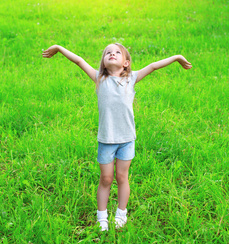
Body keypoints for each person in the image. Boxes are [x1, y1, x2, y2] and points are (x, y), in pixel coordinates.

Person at [42, 43, 192, 231]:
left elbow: (154, 65)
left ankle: (121, 213)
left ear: (126, 63)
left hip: (127, 140)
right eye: (108, 53)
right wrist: (59, 48)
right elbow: (79, 60)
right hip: (106, 141)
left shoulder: (132, 78)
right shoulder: (99, 78)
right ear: (104, 63)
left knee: (122, 177)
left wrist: (177, 56)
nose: (112, 54)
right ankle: (102, 217)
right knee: (105, 179)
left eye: (117, 52)